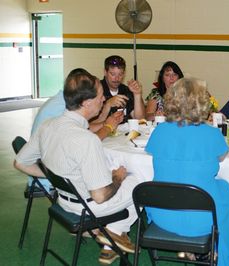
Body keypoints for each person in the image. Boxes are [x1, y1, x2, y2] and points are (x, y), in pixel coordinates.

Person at [14, 69, 139, 265]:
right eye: (100, 96)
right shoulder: (87, 140)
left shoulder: (48, 125)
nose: (104, 99)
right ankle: (113, 232)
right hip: (88, 206)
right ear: (87, 103)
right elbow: (100, 196)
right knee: (137, 181)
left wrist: (58, 177)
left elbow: (19, 162)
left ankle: (109, 233)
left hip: (63, 201)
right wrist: (118, 177)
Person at [145, 77, 229, 266]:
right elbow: (222, 156)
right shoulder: (211, 134)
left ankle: (190, 249)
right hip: (203, 221)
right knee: (225, 187)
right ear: (203, 103)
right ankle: (221, 257)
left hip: (162, 216)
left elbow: (152, 152)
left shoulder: (159, 131)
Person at [29, 68, 124, 192]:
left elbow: (86, 128)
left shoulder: (66, 104)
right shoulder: (63, 108)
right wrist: (108, 127)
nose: (103, 99)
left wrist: (107, 123)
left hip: (55, 169)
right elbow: (86, 139)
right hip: (54, 178)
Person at [100, 55, 145, 123]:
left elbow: (139, 120)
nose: (117, 78)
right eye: (113, 74)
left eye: (120, 74)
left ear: (124, 74)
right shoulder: (96, 90)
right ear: (105, 72)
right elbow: (91, 125)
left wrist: (137, 94)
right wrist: (107, 105)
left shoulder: (126, 90)